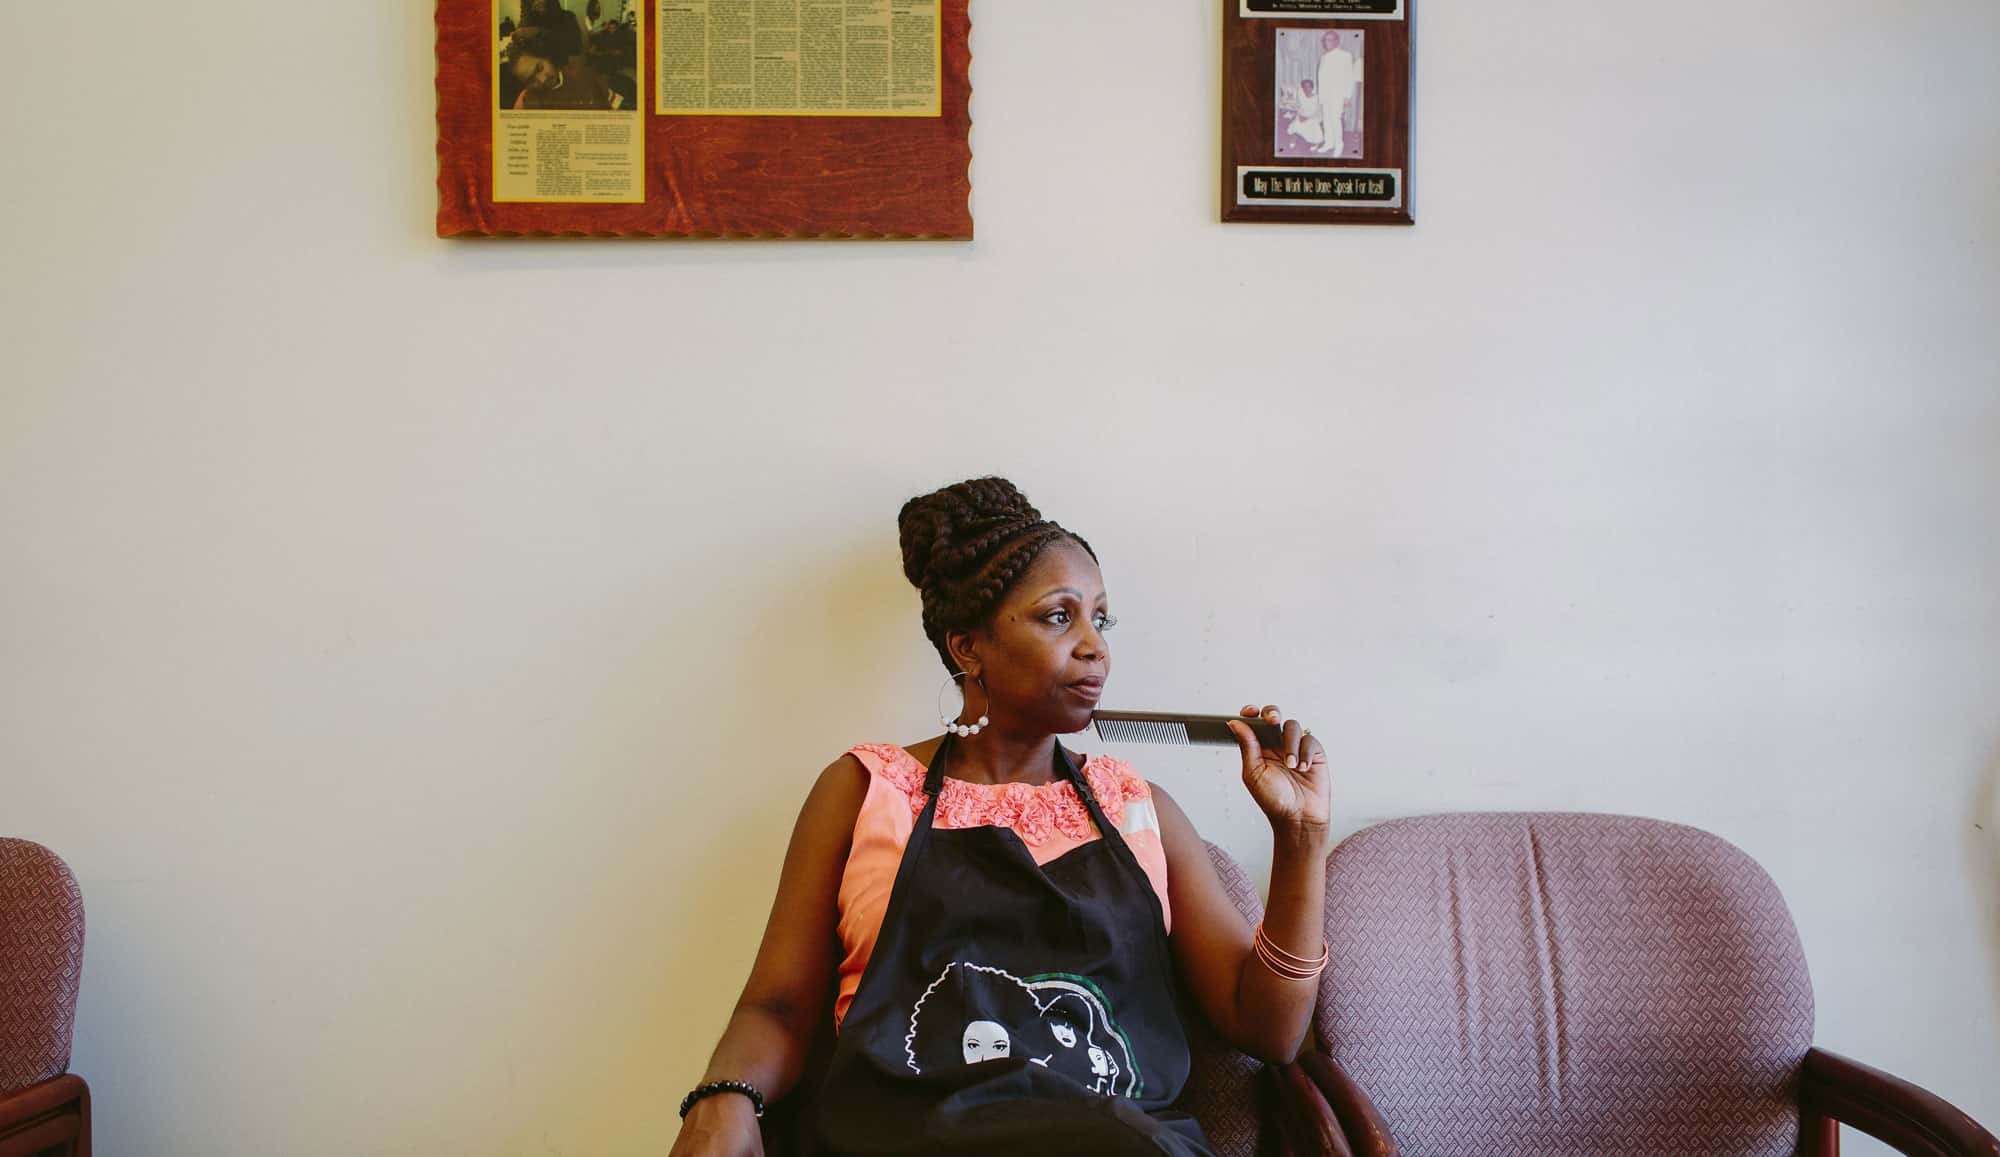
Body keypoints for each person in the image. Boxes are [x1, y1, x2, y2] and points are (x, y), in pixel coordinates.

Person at [669, 478, 1333, 1156]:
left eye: (1099, 619)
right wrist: (723, 1096)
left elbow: (1269, 1027)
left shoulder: (1138, 807)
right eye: (1057, 616)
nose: (1094, 647)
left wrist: (1301, 838)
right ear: (967, 647)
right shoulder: (864, 791)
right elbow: (776, 1008)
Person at [505, 27, 617, 110]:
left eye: (539, 68)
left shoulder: (583, 72)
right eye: (530, 80)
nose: (542, 80)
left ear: (546, 55)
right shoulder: (530, 102)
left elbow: (615, 105)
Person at [1315, 30, 1362, 157]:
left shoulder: (1345, 55)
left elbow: (1349, 77)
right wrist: (1320, 96)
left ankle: (1339, 145)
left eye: (1330, 39)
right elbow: (1321, 78)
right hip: (1325, 95)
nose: (1327, 42)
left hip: (1337, 95)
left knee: (1335, 120)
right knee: (1326, 120)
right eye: (1325, 40)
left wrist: (1347, 96)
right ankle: (1329, 143)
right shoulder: (1323, 57)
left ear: (1337, 41)